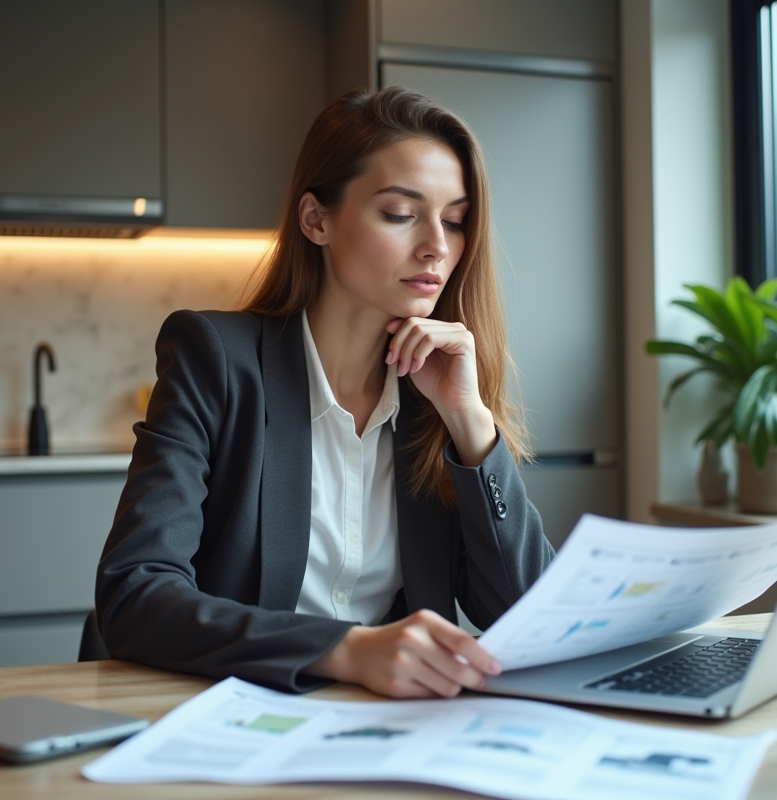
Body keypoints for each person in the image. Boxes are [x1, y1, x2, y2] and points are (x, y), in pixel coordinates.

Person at [96, 86, 553, 699]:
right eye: (401, 213)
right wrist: (346, 649)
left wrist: (470, 423)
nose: (438, 247)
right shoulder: (217, 360)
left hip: (389, 724)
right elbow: (135, 593)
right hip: (237, 711)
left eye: (454, 220)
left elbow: (529, 617)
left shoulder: (436, 395)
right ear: (316, 220)